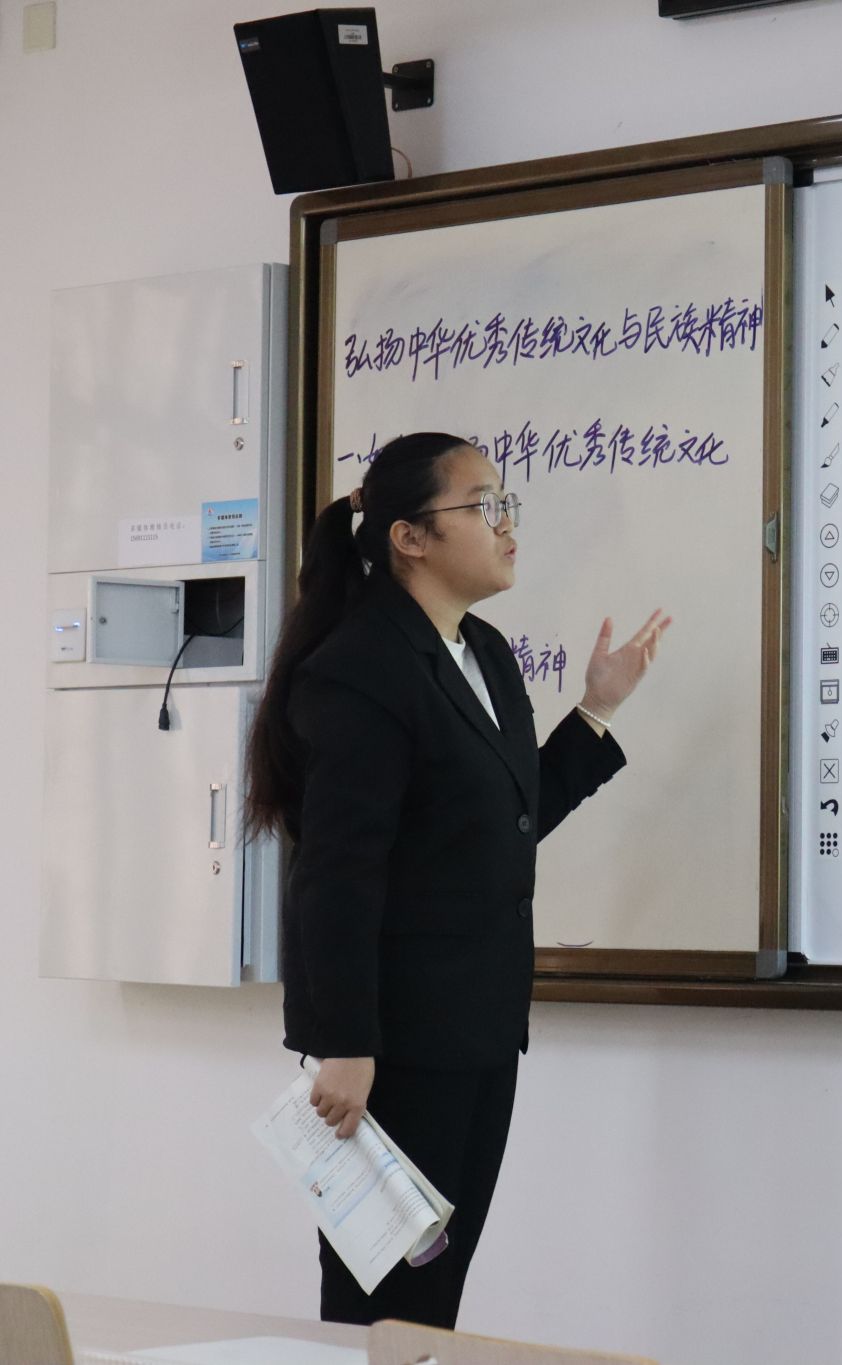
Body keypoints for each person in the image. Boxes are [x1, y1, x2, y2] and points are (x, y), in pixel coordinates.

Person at [242, 432, 672, 1328]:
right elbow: (335, 874)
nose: (508, 523)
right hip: (393, 1048)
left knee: (435, 1297)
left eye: (507, 502)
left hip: (477, 1030)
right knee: (379, 1302)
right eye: (485, 505)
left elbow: (504, 823)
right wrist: (346, 1042)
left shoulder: (486, 653)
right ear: (411, 537)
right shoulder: (361, 667)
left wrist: (596, 709)